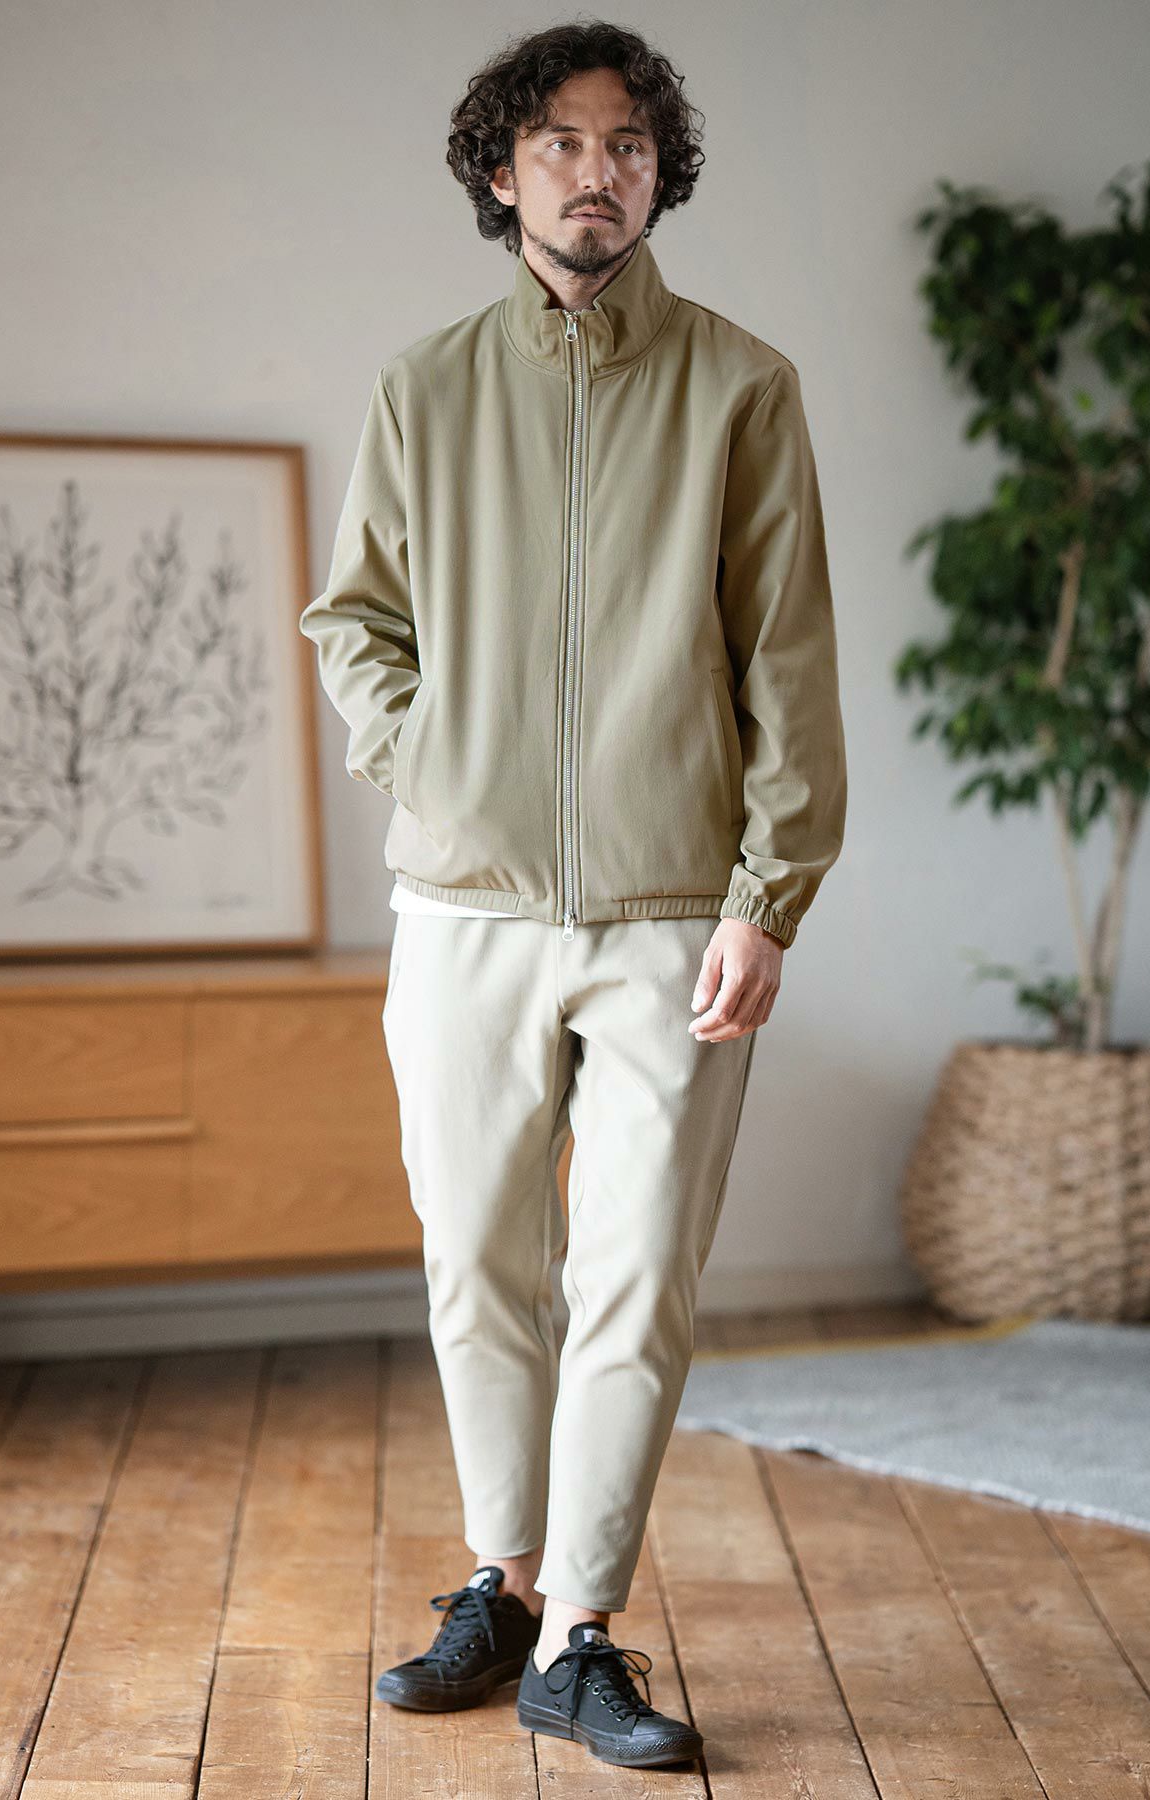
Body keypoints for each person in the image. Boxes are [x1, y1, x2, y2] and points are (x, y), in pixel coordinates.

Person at [299, 18, 846, 1771]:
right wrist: (436, 762)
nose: (594, 173)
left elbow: (789, 662)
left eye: (625, 146)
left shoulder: (742, 386)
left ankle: (583, 1632)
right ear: (502, 170)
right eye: (559, 143)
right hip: (462, 906)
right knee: (477, 1259)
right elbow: (352, 622)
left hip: (678, 907)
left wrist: (768, 896)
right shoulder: (427, 387)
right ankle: (503, 1582)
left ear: (658, 173)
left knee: (635, 1275)